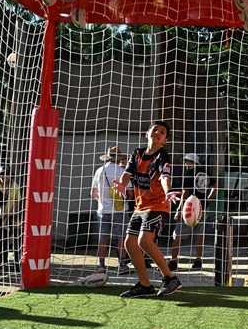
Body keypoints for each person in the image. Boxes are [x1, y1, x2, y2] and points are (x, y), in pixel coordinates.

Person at [112, 121, 182, 298]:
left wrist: (168, 191)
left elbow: (165, 176)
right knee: (129, 243)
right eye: (155, 129)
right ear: (147, 133)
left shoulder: (163, 156)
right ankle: (145, 285)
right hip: (139, 207)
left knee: (144, 241)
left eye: (162, 132)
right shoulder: (137, 153)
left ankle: (170, 278)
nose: (157, 132)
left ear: (165, 140)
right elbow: (127, 173)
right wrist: (122, 185)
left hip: (158, 205)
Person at [167, 153, 216, 272]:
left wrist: (179, 209)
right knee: (199, 233)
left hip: (190, 207)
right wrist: (208, 199)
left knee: (177, 233)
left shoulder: (190, 173)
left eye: (186, 161)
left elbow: (186, 193)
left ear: (191, 162)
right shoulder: (206, 172)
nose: (185, 164)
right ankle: (198, 260)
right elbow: (216, 186)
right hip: (203, 207)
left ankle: (173, 261)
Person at [91, 146, 131, 275]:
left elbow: (93, 193)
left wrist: (102, 201)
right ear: (118, 158)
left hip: (103, 210)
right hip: (120, 210)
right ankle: (122, 264)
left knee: (103, 238)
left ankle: (101, 265)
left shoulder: (99, 171)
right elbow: (130, 193)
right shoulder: (122, 171)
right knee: (121, 237)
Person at [0, 165, 22, 270]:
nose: (5, 176)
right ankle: (1, 261)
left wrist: (8, 215)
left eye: (7, 174)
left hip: (11, 215)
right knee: (1, 240)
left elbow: (17, 204)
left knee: (16, 238)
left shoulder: (15, 186)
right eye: (2, 174)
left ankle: (17, 262)